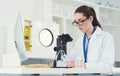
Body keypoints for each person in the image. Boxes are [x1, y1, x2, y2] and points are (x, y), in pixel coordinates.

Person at [66, 5, 115, 69]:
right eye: (76, 22)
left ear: (90, 19)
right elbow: (71, 60)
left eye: (81, 21)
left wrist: (85, 66)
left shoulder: (106, 37)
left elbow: (107, 65)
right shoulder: (80, 41)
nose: (78, 25)